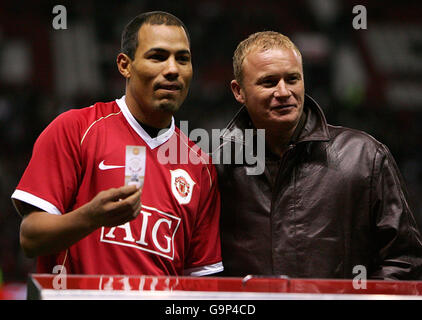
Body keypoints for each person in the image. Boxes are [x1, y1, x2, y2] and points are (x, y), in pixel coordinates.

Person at [11, 11, 223, 277]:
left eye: (183, 59)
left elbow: (199, 279)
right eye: (157, 57)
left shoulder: (199, 165)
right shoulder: (76, 129)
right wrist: (90, 217)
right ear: (125, 65)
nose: (172, 70)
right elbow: (30, 239)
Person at [215, 31, 422, 279]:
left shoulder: (364, 156)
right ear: (239, 91)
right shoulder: (217, 168)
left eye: (292, 79)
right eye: (269, 82)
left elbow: (404, 262)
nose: (283, 92)